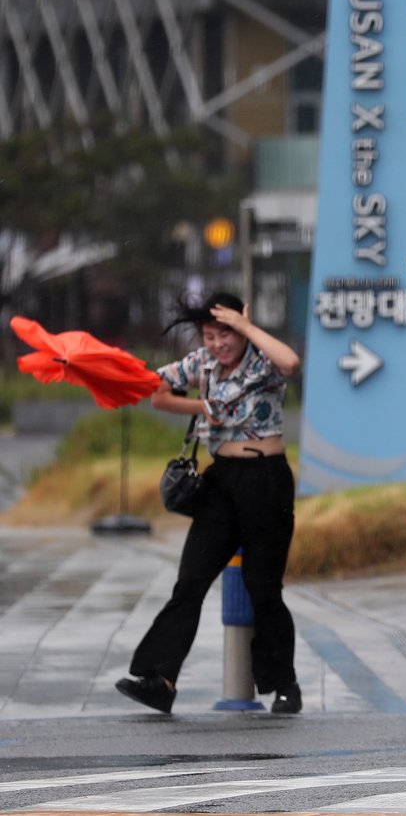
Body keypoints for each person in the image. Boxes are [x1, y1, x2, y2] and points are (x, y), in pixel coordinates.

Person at [114, 292, 303, 714]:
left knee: (262, 586)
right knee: (190, 581)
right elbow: (157, 391)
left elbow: (291, 363)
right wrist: (201, 407)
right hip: (220, 482)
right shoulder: (201, 363)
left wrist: (248, 326)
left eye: (226, 333)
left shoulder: (262, 361)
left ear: (241, 327)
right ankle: (159, 680)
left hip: (266, 481)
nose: (219, 343)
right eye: (210, 335)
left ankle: (283, 684)